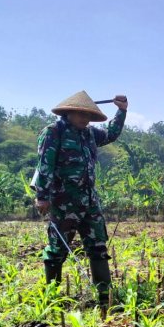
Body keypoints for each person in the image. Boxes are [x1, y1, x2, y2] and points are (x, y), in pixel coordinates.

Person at [30, 90, 128, 307]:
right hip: (63, 201)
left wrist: (121, 112)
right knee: (57, 250)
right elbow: (44, 164)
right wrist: (42, 196)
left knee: (98, 247)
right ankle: (52, 298)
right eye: (80, 114)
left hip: (90, 201)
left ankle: (105, 297)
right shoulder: (54, 132)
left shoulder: (90, 134)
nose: (85, 119)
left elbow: (111, 134)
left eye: (88, 115)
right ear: (68, 112)